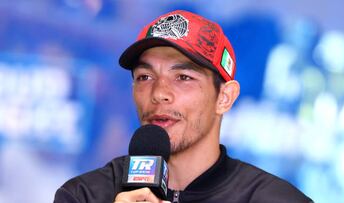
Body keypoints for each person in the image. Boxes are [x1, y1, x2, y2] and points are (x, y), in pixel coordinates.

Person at [54, 10, 313, 203]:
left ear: (225, 97)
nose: (159, 94)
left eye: (183, 78)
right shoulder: (84, 195)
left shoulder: (275, 199)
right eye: (145, 77)